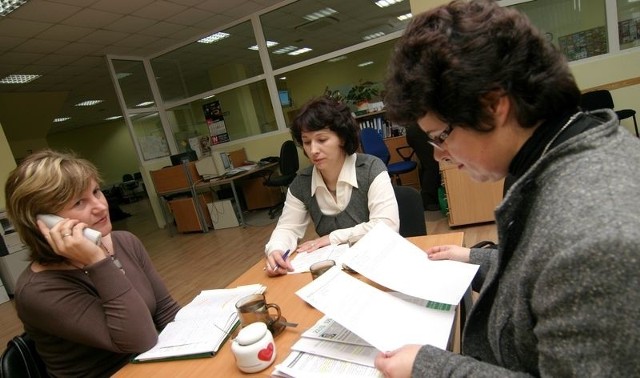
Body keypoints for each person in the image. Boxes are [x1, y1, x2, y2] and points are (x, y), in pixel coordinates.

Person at [376, 0, 640, 376]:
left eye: (441, 137)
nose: (439, 156)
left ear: (493, 105)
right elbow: (547, 273)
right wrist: (476, 260)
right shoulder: (559, 154)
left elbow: (574, 261)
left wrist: (430, 368)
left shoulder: (600, 240)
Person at [5, 149, 181, 377]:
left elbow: (167, 313)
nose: (100, 206)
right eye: (79, 202)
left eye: (96, 191)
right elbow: (140, 340)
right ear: (44, 223)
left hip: (153, 366)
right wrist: (98, 261)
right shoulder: (38, 290)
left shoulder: (125, 242)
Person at [265, 97, 400, 276]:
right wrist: (276, 250)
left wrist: (331, 238)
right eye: (306, 142)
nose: (313, 150)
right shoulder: (301, 183)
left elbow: (386, 226)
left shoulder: (371, 169)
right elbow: (287, 228)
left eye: (321, 139)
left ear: (342, 138)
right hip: (336, 272)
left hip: (379, 264)